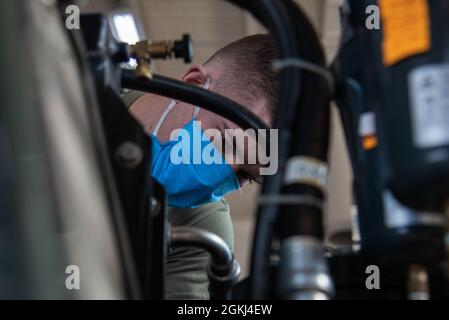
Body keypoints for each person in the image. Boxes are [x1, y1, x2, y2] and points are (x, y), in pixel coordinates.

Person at [124, 34, 279, 299]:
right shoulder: (84, 86)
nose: (222, 171)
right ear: (195, 85)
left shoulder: (203, 231)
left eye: (245, 175)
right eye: (223, 141)